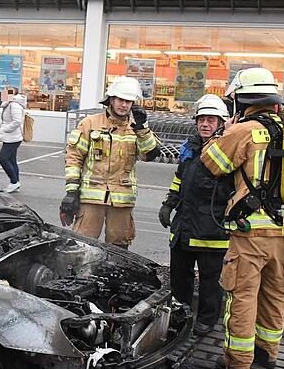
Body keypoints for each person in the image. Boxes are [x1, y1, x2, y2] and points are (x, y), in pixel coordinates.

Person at [200, 67, 284, 369]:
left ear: (242, 99)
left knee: (243, 295)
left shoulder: (246, 130)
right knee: (273, 294)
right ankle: (268, 353)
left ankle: (237, 364)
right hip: (282, 229)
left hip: (250, 230)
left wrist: (226, 131)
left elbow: (212, 163)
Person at [159, 94, 232, 336]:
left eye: (211, 120)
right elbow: (179, 179)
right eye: (201, 119)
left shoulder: (227, 148)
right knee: (180, 276)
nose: (205, 124)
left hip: (211, 226)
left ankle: (207, 320)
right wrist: (169, 203)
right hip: (185, 225)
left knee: (211, 280)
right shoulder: (191, 146)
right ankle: (180, 316)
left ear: (221, 123)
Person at [60, 76, 159, 249]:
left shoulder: (137, 127)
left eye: (129, 101)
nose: (124, 105)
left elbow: (149, 155)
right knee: (82, 245)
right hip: (91, 198)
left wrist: (142, 129)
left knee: (119, 248)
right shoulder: (90, 124)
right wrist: (71, 192)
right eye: (121, 100)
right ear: (111, 99)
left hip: (122, 200)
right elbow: (74, 158)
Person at [0, 86, 26, 193]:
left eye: (6, 92)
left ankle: (14, 182)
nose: (3, 93)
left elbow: (16, 121)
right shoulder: (9, 104)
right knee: (12, 160)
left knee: (3, 158)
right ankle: (15, 183)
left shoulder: (14, 105)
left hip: (13, 137)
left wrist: (5, 129)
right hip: (11, 136)